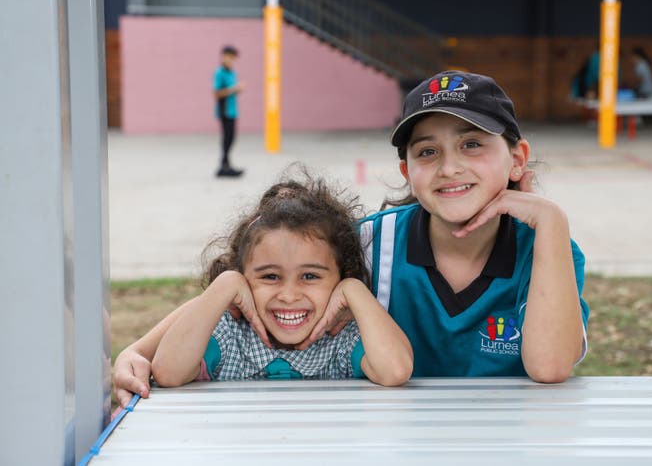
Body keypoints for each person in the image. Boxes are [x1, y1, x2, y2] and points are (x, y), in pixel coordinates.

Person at [113, 71, 588, 407]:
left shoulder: (550, 251)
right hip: (388, 433)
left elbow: (549, 368)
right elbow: (250, 289)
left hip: (507, 435)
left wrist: (552, 220)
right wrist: (139, 351)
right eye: (427, 152)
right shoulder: (373, 240)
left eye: (472, 144)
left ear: (517, 158)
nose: (449, 167)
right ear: (407, 171)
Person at [129, 175, 414, 395]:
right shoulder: (229, 332)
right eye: (270, 276)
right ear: (244, 278)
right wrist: (226, 284)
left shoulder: (341, 337)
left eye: (310, 276)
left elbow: (396, 371)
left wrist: (353, 289)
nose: (288, 296)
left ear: (340, 276)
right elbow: (168, 373)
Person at [214, 45, 245, 177]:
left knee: (231, 138)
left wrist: (237, 90)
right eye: (229, 57)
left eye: (233, 58)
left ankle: (225, 164)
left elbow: (231, 91)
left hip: (232, 110)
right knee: (227, 138)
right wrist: (234, 89)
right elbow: (217, 93)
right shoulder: (219, 73)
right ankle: (224, 166)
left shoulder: (232, 73)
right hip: (224, 110)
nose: (231, 60)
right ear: (223, 56)